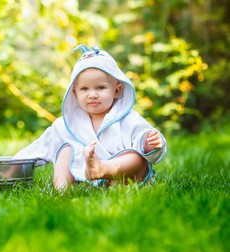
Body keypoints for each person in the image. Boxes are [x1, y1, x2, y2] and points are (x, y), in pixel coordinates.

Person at [13, 44, 166, 191]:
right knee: (66, 150)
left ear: (117, 91)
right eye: (84, 88)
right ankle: (62, 191)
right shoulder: (66, 124)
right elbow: (41, 146)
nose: (92, 94)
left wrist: (149, 144)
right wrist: (12, 165)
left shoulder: (128, 118)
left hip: (123, 179)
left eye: (101, 87)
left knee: (136, 156)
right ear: (75, 93)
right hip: (86, 179)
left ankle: (102, 169)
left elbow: (143, 136)